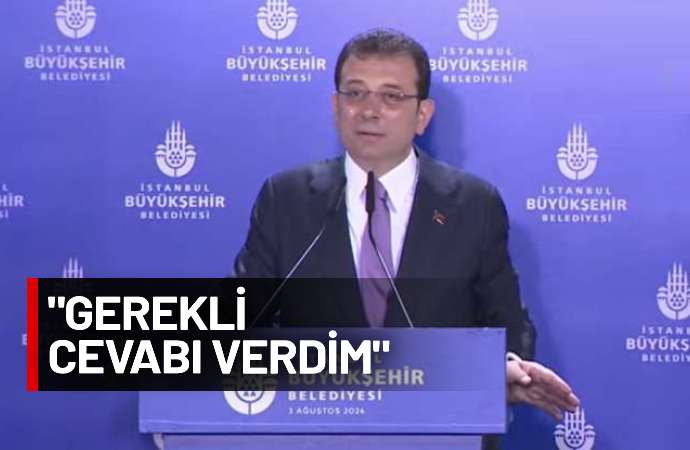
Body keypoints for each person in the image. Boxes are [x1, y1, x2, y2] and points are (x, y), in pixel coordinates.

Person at [234, 28, 579, 443]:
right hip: (316, 434)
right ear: (336, 106)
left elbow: (507, 324)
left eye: (392, 96)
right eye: (355, 93)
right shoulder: (285, 198)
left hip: (441, 433)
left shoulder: (474, 204)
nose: (369, 110)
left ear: (422, 115)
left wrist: (502, 368)